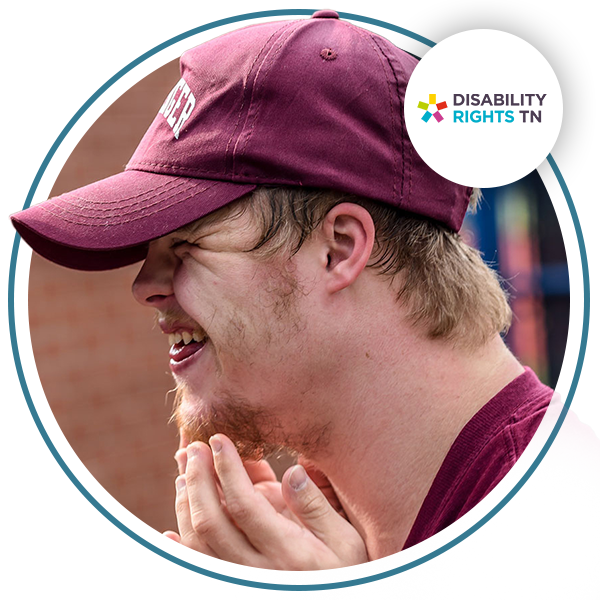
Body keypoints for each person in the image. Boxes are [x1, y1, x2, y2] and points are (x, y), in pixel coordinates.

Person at [10, 8, 599, 589]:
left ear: (339, 249)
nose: (145, 286)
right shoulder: (347, 537)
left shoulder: (568, 536)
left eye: (186, 243)